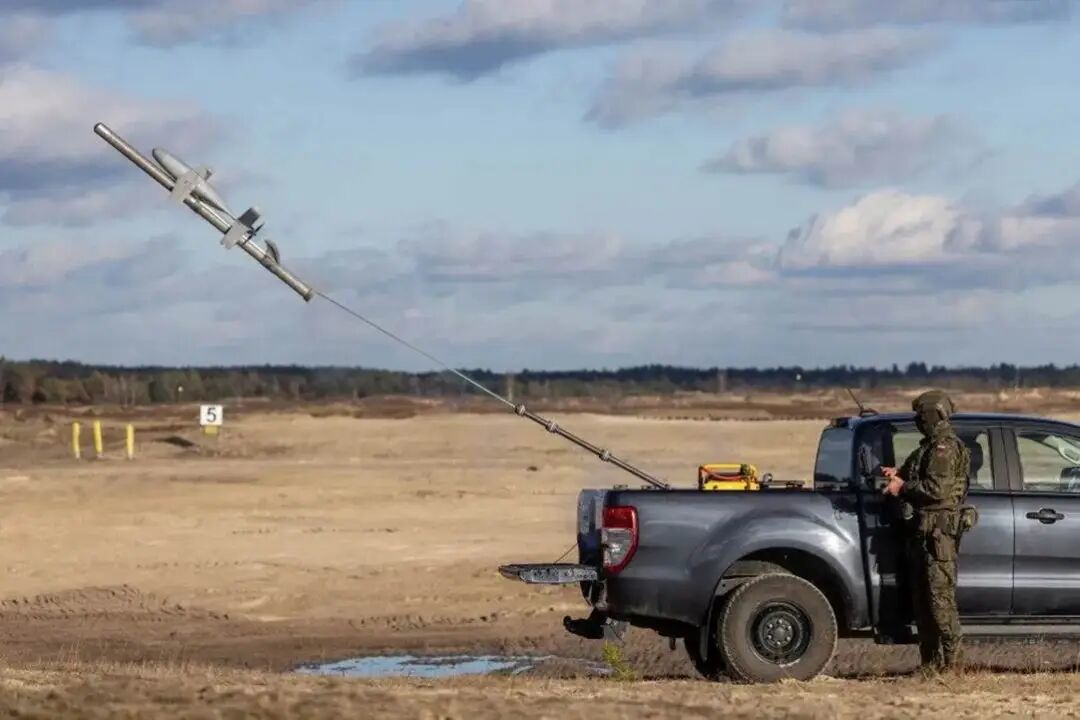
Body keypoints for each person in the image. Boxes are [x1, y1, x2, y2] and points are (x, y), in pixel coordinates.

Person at [881, 390, 970, 674]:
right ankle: (930, 665)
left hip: (938, 537)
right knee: (923, 603)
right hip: (923, 534)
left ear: (933, 415)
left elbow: (936, 489)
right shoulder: (926, 449)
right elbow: (913, 473)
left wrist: (902, 487)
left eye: (921, 416)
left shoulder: (944, 448)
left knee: (940, 602)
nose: (918, 422)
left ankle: (953, 666)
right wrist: (896, 474)